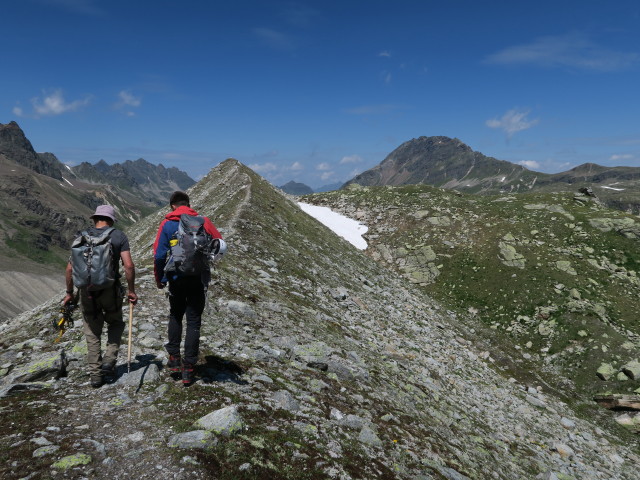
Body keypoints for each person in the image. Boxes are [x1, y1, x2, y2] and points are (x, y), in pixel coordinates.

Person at [62, 205, 138, 388]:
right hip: (110, 290)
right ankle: (108, 361)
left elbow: (70, 269)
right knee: (116, 323)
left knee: (92, 331)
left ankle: (95, 376)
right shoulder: (118, 236)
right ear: (111, 220)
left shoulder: (81, 237)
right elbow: (128, 266)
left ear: (95, 219)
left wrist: (69, 293)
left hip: (87, 292)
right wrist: (131, 290)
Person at [153, 191, 223, 385]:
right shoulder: (203, 221)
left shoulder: (168, 223)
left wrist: (160, 278)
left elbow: (159, 255)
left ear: (172, 206)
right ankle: (189, 368)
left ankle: (174, 359)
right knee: (194, 321)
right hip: (198, 277)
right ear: (188, 204)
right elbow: (220, 243)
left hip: (176, 276)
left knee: (175, 314)